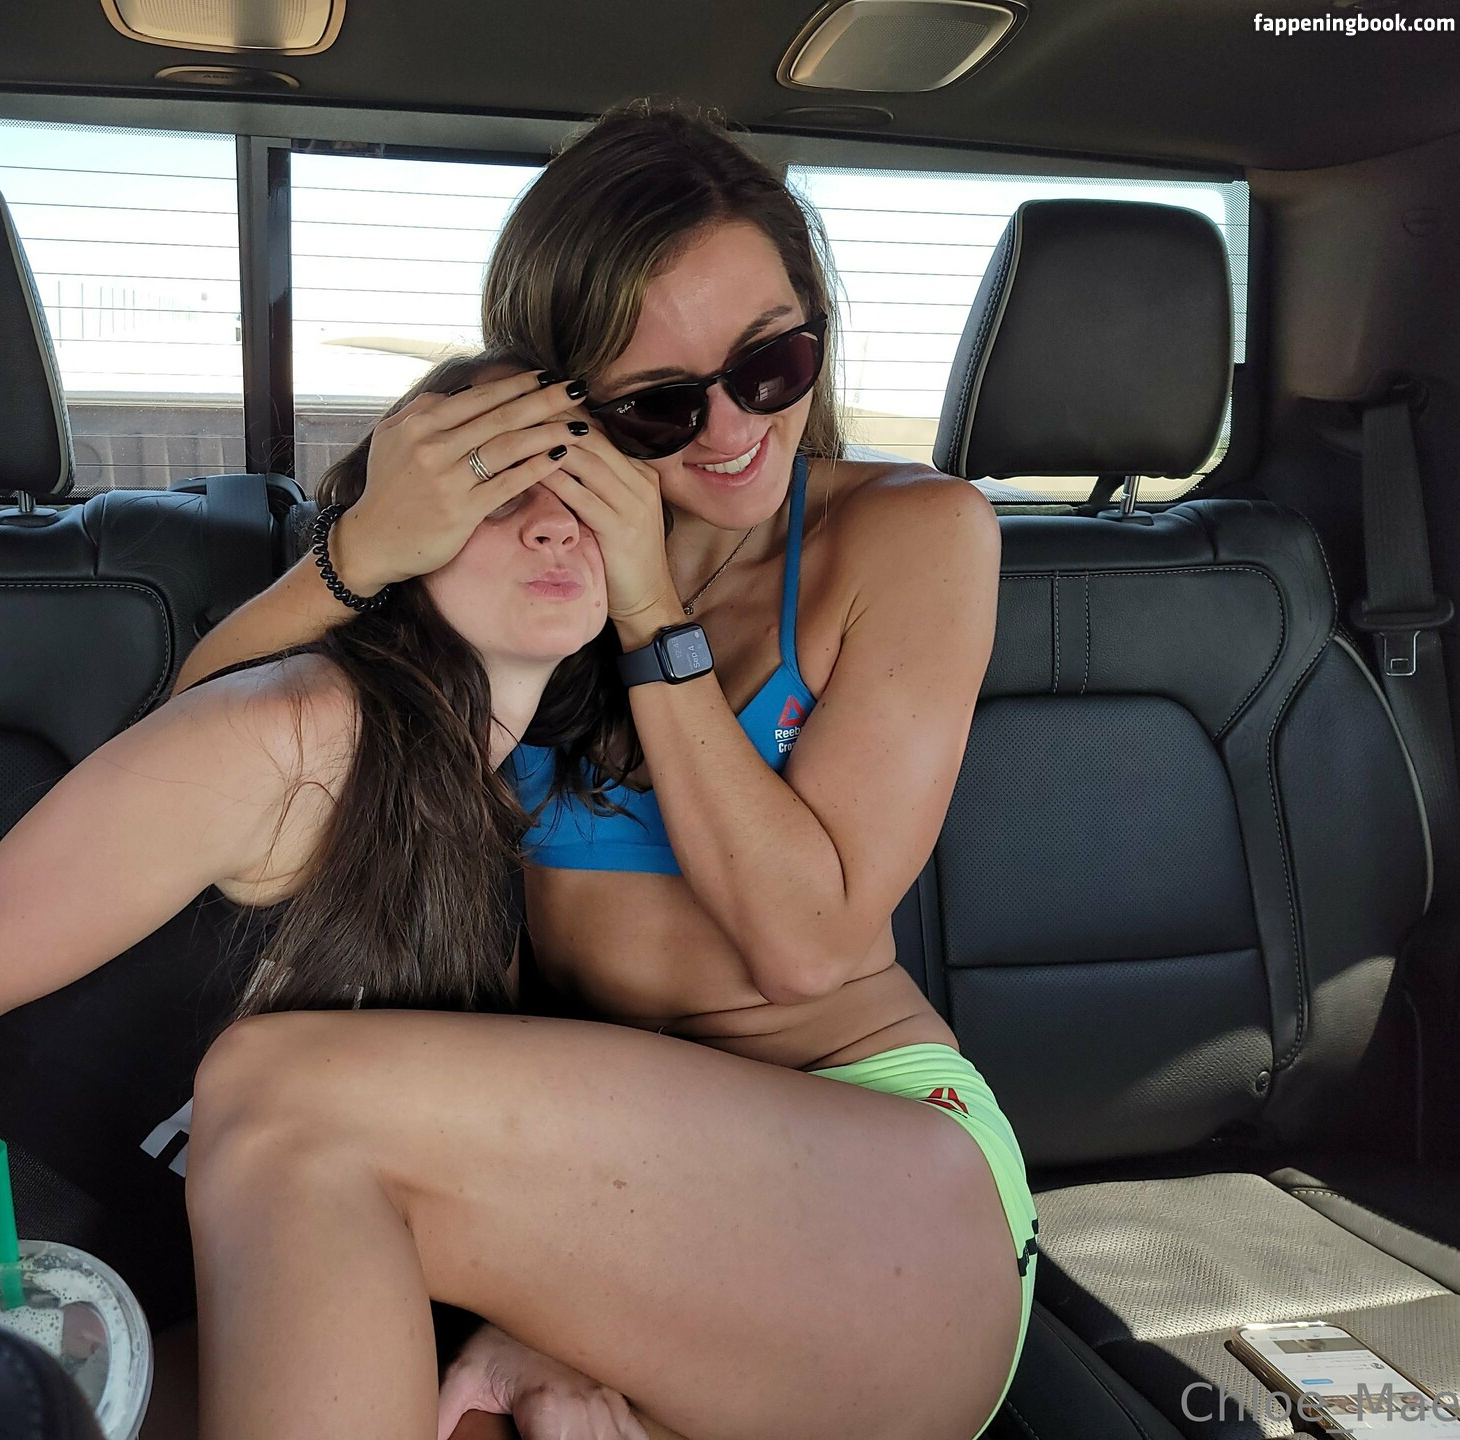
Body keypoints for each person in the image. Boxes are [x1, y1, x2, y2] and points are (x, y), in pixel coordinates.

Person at [168, 103, 1033, 1440]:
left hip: (879, 1184)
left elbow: (805, 945)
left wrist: (651, 612)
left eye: (773, 362)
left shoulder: (912, 534)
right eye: (660, 403)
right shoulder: (525, 555)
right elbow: (198, 764)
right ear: (561, 402)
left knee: (274, 1101)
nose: (734, 426)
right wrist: (368, 546)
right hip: (603, 1201)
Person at [0, 351, 602, 1340]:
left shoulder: (509, 809)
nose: (552, 521)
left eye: (581, 484)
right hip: (2, 1253)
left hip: (199, 1300)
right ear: (407, 533)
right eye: (492, 488)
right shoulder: (300, 731)